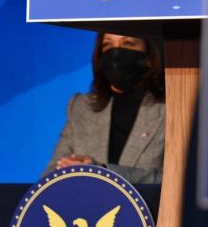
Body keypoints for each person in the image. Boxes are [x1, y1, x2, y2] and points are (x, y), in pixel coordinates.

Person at [43, 33, 165, 184]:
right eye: (107, 45)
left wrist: (103, 173)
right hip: (86, 206)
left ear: (150, 57)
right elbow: (50, 175)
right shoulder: (80, 107)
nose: (116, 53)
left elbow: (175, 181)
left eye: (127, 44)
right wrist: (69, 169)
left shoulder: (169, 111)